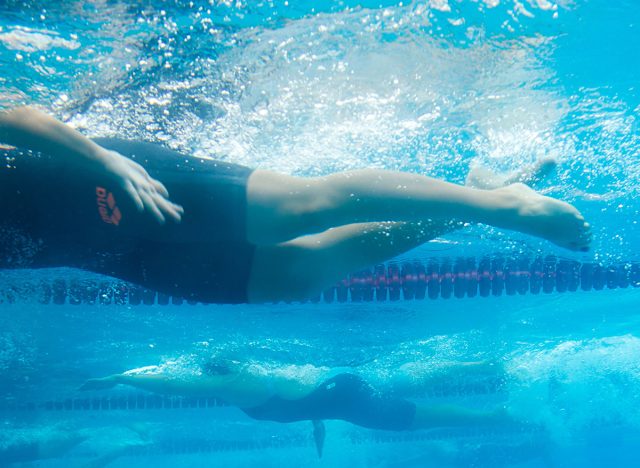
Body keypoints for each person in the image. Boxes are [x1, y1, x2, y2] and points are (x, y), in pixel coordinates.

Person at [0, 106, 591, 304]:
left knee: (299, 208)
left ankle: (506, 207)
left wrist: (103, 159)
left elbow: (18, 117)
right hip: (99, 249)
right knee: (295, 274)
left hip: (90, 181)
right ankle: (484, 197)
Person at [79, 360, 514, 458]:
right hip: (336, 393)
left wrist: (119, 377)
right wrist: (317, 431)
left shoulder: (238, 386)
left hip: (345, 395)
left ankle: (493, 415)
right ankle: (477, 371)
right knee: (403, 392)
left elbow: (174, 384)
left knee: (403, 416)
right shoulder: (252, 383)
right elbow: (307, 402)